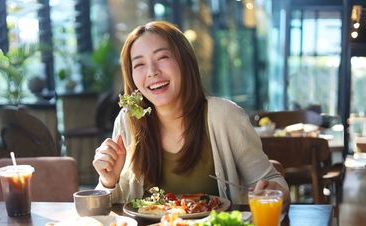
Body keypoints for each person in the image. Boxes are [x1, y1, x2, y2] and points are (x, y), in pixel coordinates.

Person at [93, 21, 290, 210]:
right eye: (139, 64)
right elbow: (107, 214)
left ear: (184, 61)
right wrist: (108, 181)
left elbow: (273, 183)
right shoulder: (128, 121)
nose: (152, 72)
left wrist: (275, 191)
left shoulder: (224, 116)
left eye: (162, 58)